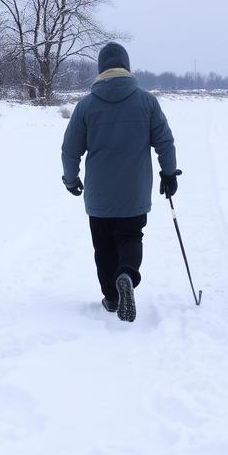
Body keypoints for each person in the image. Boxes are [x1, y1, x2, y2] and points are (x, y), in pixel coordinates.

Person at [60, 42, 180, 322]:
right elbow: (165, 141)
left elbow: (70, 149)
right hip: (134, 193)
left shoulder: (86, 106)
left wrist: (70, 179)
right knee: (130, 237)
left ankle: (112, 298)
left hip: (99, 196)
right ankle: (126, 273)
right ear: (126, 66)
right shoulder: (147, 101)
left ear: (101, 68)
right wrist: (169, 173)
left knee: (103, 246)